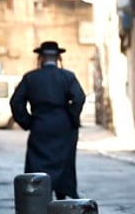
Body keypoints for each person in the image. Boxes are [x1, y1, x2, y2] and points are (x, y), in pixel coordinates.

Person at [10, 40, 86, 199]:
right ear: (58, 58)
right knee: (64, 163)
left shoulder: (31, 78)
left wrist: (27, 122)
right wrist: (72, 118)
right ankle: (62, 198)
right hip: (63, 126)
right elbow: (78, 98)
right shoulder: (67, 76)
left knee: (38, 163)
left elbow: (16, 102)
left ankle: (38, 198)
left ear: (41, 58)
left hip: (40, 124)